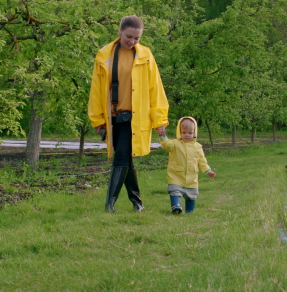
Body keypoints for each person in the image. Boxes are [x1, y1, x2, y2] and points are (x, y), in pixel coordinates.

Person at [88, 15, 169, 212]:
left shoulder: (146, 56)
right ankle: (137, 201)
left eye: (137, 38)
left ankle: (110, 204)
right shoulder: (104, 56)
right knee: (126, 159)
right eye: (129, 37)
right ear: (120, 31)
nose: (132, 42)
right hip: (113, 117)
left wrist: (160, 119)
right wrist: (97, 119)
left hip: (135, 117)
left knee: (121, 157)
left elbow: (155, 89)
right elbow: (97, 90)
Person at [156, 117, 216, 214]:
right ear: (179, 132)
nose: (187, 135)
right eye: (184, 133)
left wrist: (208, 171)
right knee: (174, 190)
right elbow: (166, 144)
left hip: (191, 177)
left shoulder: (198, 147)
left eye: (190, 133)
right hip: (176, 175)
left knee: (192, 195)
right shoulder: (175, 144)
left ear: (194, 133)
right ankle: (175, 207)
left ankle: (189, 211)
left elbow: (202, 161)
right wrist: (162, 136)